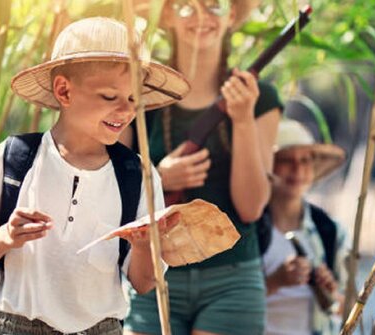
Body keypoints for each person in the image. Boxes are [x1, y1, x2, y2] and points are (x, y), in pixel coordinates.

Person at [0, 17, 189, 334]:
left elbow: (144, 283)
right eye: (110, 97)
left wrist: (146, 245)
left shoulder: (138, 176)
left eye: (134, 99)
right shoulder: (15, 159)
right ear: (64, 91)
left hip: (100, 328)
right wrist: (5, 237)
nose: (126, 111)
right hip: (15, 326)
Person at [122, 1, 282, 334]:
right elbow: (112, 189)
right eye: (185, 5)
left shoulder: (261, 98)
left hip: (233, 280)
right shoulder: (136, 92)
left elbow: (251, 208)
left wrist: (242, 120)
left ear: (233, 15)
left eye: (215, 5)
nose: (201, 16)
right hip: (151, 276)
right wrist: (158, 179)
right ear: (166, 14)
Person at [262, 118, 349, 335]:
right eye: (286, 160)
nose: (297, 169)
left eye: (305, 160)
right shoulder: (248, 228)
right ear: (268, 165)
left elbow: (349, 307)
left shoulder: (330, 231)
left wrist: (330, 292)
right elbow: (229, 301)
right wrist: (276, 281)